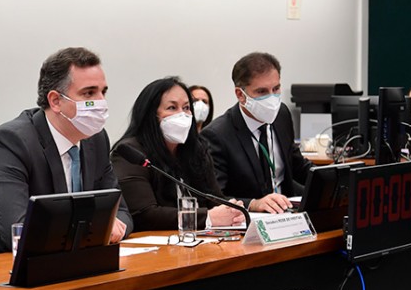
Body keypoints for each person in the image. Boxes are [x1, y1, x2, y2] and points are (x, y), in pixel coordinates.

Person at [0, 47, 133, 257]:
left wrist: (113, 228)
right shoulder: (11, 142)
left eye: (103, 92)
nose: (101, 102)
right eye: (89, 93)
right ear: (56, 101)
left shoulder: (96, 139)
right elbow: (18, 229)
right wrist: (96, 229)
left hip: (65, 260)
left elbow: (122, 213)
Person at [111, 77, 243, 232]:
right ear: (151, 115)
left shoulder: (196, 150)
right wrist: (208, 218)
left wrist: (231, 210)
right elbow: (143, 214)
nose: (182, 115)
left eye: (186, 108)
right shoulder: (130, 153)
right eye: (172, 108)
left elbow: (213, 198)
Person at [201, 52, 312, 213]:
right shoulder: (216, 135)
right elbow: (215, 197)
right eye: (262, 92)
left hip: (288, 214)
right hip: (249, 222)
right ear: (240, 95)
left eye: (276, 88)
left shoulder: (281, 115)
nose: (272, 98)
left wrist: (334, 176)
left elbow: (297, 165)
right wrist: (254, 204)